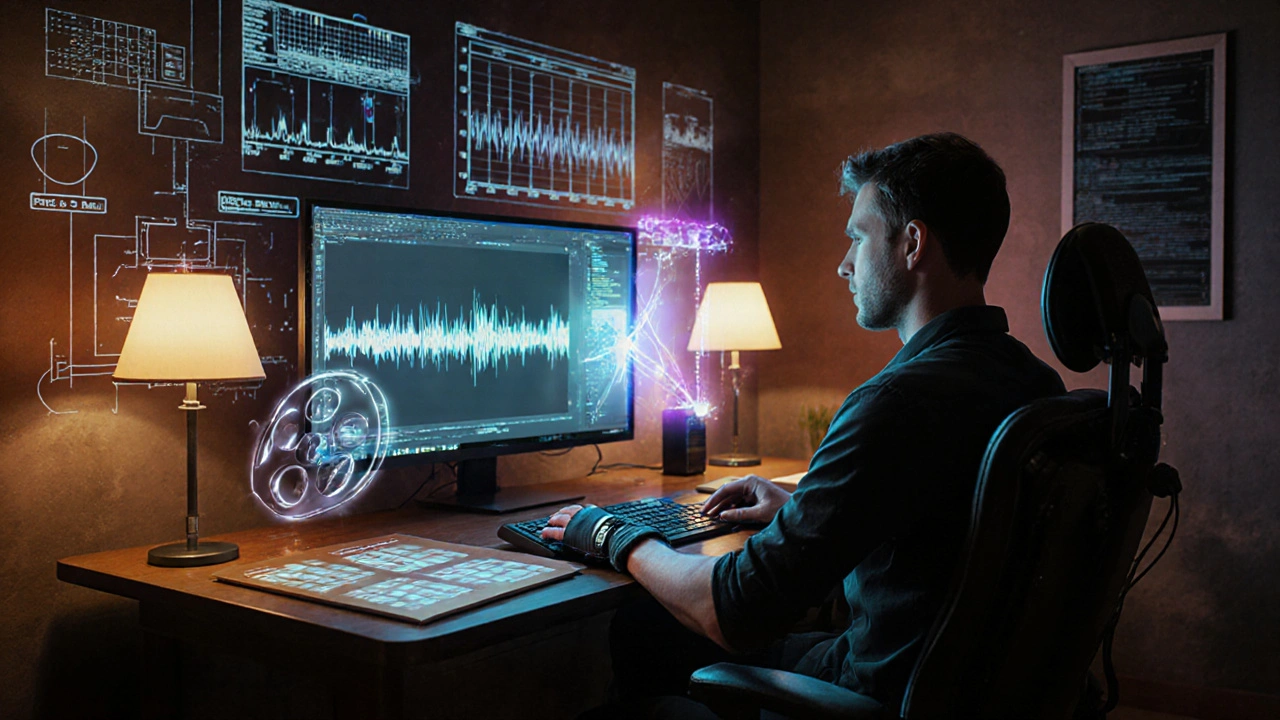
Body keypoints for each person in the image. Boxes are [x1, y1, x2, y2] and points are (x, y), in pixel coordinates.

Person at [542, 132, 1066, 716]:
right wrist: (801, 512)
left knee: (643, 627)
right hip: (954, 689)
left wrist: (616, 537)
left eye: (858, 237)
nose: (845, 264)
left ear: (912, 244)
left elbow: (734, 610)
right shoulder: (1034, 385)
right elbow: (941, 528)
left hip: (870, 693)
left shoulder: (894, 402)